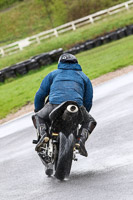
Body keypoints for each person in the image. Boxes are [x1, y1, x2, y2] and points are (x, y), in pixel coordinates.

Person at [33, 53, 97, 157]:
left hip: (54, 104)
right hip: (77, 106)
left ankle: (43, 134)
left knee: (38, 116)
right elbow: (88, 100)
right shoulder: (84, 77)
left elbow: (40, 95)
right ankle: (80, 141)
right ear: (76, 63)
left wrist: (38, 109)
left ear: (60, 63)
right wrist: (83, 115)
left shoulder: (53, 74)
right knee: (90, 121)